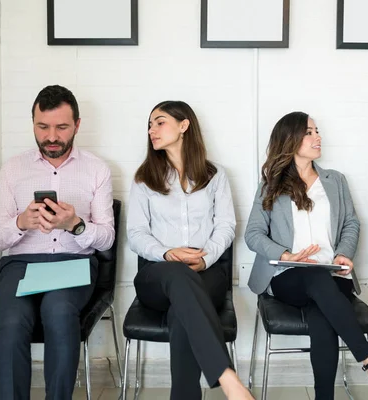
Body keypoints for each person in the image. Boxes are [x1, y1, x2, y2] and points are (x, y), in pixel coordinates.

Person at [245, 111, 368, 400]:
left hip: (333, 274)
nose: (317, 137)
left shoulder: (335, 180)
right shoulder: (270, 185)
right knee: (314, 280)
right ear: (290, 138)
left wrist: (344, 254)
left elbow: (351, 223)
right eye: (309, 132)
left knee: (322, 308)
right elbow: (253, 234)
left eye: (316, 130)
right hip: (287, 276)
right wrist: (287, 254)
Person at [0, 85, 115, 399]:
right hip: (21, 264)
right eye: (42, 127)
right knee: (13, 320)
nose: (51, 137)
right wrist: (21, 223)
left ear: (77, 125)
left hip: (73, 264)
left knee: (59, 311)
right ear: (32, 123)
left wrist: (75, 224)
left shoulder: (96, 169)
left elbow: (107, 238)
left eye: (61, 127)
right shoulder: (13, 170)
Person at [127, 100, 253, 400]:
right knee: (176, 276)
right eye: (149, 125)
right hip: (156, 273)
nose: (151, 130)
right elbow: (135, 234)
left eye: (160, 122)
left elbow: (225, 226)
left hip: (205, 270)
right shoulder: (144, 178)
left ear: (184, 126)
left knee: (181, 311)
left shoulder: (215, 176)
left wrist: (205, 256)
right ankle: (226, 376)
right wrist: (169, 255)